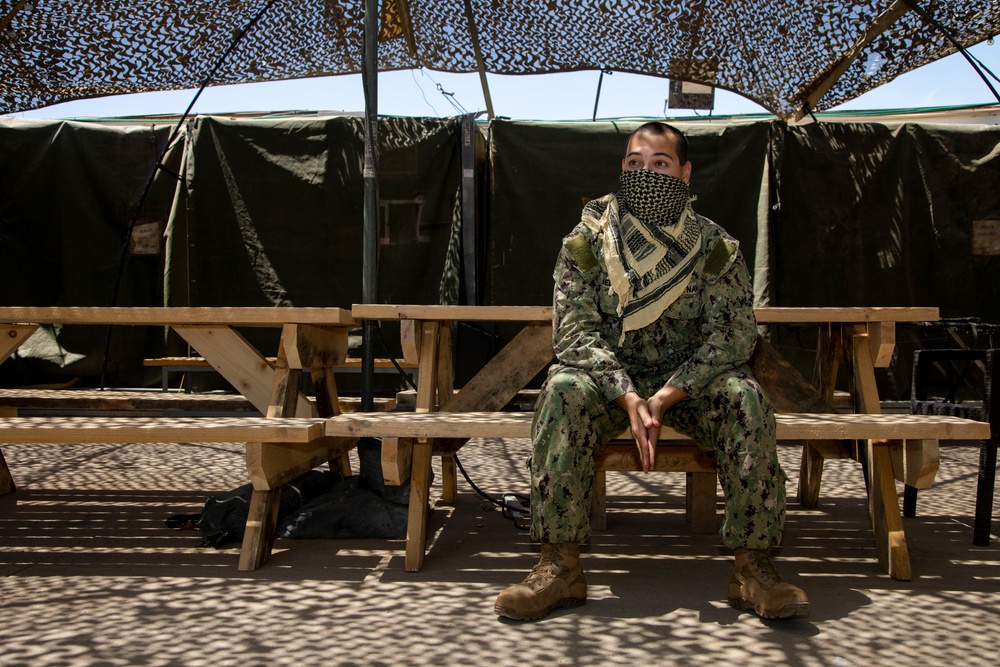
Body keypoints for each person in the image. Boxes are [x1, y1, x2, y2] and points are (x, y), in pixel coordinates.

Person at [494, 122, 809, 622]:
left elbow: (731, 336)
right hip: (608, 379)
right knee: (561, 391)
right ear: (623, 168)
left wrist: (664, 396)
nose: (646, 173)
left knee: (746, 398)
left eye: (660, 164)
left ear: (684, 173)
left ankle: (753, 569)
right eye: (635, 164)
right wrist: (626, 394)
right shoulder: (587, 242)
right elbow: (574, 332)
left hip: (688, 384)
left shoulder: (715, 247)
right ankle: (560, 566)